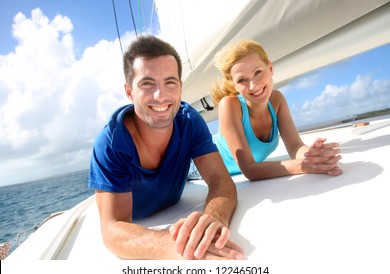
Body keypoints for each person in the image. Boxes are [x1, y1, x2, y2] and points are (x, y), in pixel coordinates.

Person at [88, 35, 244, 260]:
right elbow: (113, 229)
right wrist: (181, 245)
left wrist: (213, 220)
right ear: (129, 91)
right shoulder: (110, 144)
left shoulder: (190, 121)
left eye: (170, 82)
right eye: (147, 84)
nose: (160, 96)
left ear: (180, 87)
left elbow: (221, 180)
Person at [208, 39, 343, 181]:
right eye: (242, 80)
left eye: (258, 72)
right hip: (194, 165)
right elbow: (249, 169)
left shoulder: (277, 100)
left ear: (270, 68)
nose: (253, 86)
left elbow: (295, 146)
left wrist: (313, 156)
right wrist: (303, 166)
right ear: (233, 84)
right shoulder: (229, 105)